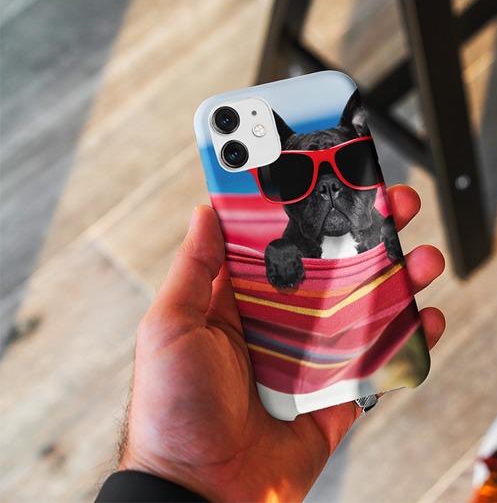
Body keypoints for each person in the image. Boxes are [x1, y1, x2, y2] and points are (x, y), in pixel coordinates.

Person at [95, 185, 446, 502]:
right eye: (301, 179)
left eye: (347, 169)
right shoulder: (286, 247)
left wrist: (168, 472)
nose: (328, 190)